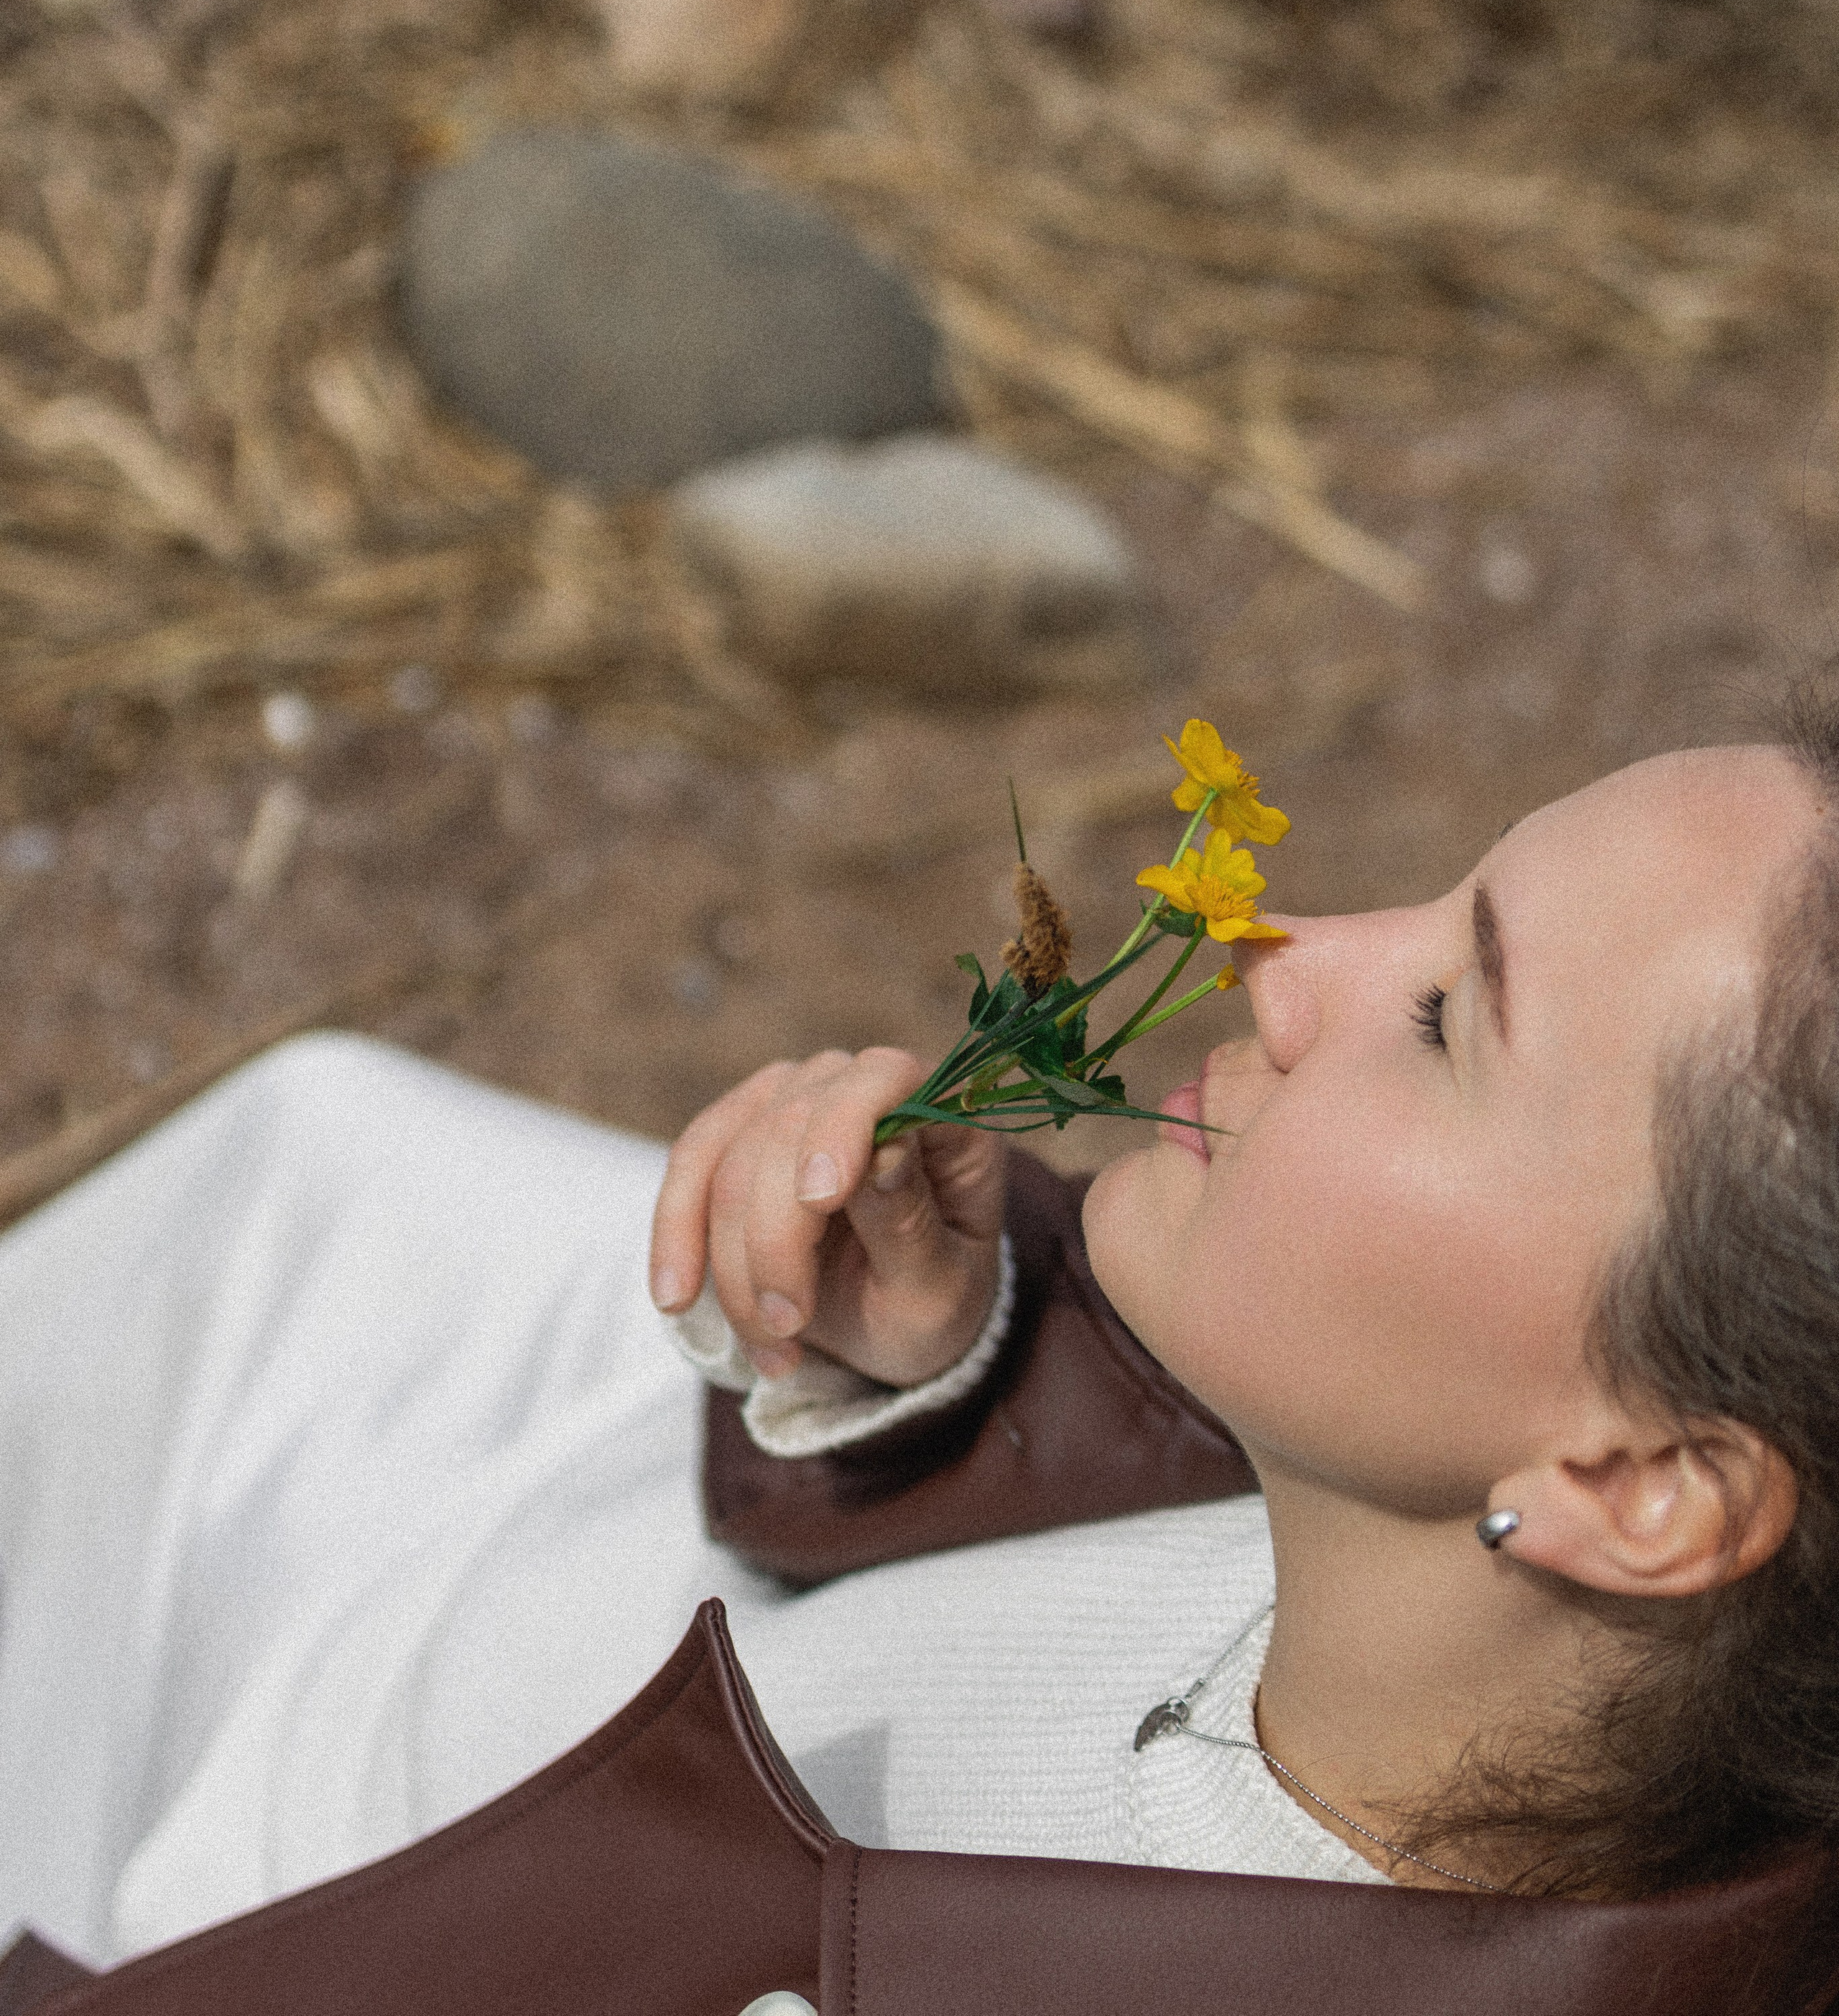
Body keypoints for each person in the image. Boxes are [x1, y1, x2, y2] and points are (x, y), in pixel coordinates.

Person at [2, 710, 1838, 1976]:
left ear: (1644, 1488)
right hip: (488, 1502)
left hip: (229, 1869)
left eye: (1445, 1018)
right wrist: (937, 1368)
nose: (1281, 952)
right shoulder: (1473, 1580)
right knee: (318, 1157)